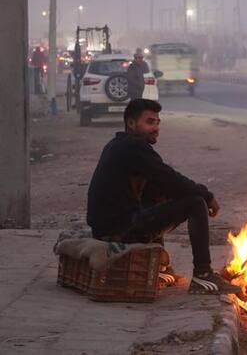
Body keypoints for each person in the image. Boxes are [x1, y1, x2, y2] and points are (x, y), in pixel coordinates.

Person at [86, 99, 238, 294]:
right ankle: (203, 275)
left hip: (110, 226)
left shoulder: (120, 144)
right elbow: (169, 177)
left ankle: (160, 267)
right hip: (118, 230)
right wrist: (207, 196)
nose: (156, 128)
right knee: (195, 203)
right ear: (131, 124)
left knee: (161, 193)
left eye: (158, 122)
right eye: (150, 122)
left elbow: (164, 183)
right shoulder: (133, 147)